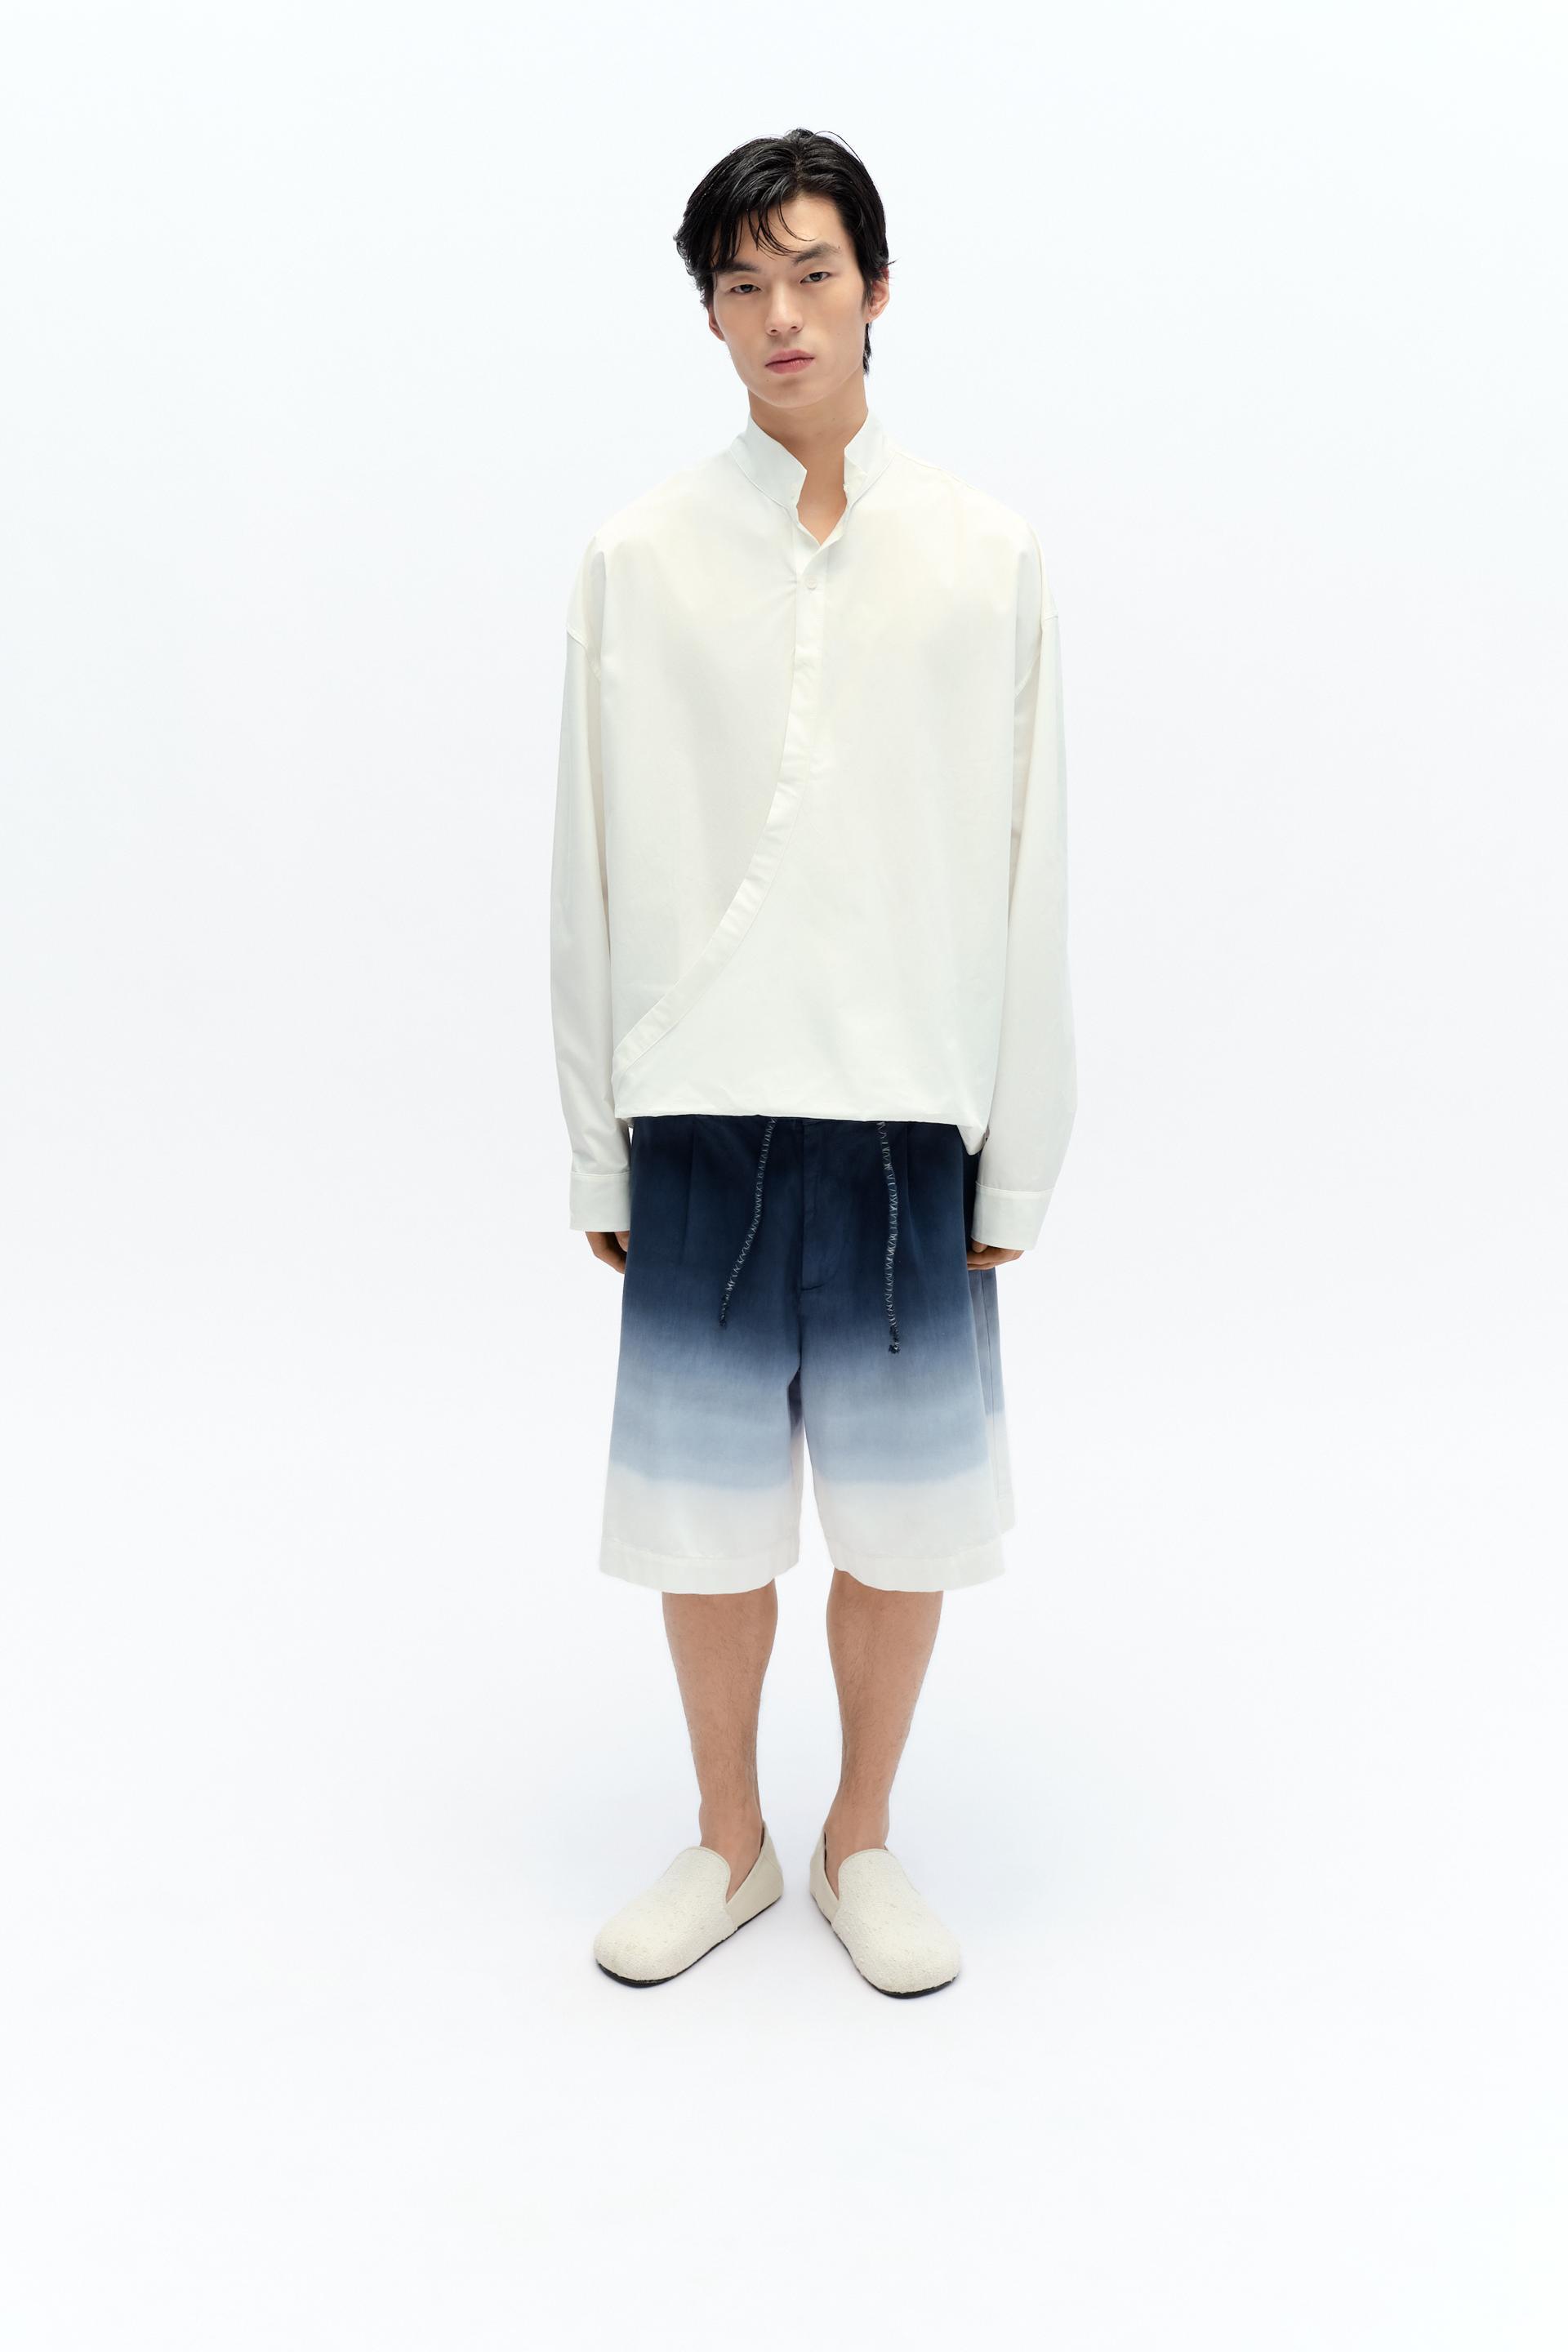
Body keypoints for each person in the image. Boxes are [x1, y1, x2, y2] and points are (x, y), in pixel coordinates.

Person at [548, 128, 1076, 1996]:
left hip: (909, 1108)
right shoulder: (637, 558)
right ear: (710, 313)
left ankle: (861, 1836)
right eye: (744, 284)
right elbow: (586, 864)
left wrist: (1019, 1149)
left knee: (902, 1514)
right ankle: (729, 1840)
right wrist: (599, 1143)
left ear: (875, 288)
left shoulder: (985, 555)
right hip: (699, 1102)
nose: (783, 314)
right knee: (704, 1523)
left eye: (814, 273)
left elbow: (1028, 857)